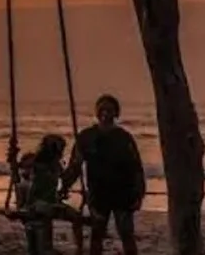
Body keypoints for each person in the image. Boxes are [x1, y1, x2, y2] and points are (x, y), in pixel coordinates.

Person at [61, 94, 145, 255]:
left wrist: (139, 194)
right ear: (97, 112)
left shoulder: (124, 138)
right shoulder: (86, 137)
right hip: (98, 193)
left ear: (116, 113)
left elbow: (136, 168)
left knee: (126, 233)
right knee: (97, 233)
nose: (105, 113)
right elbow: (75, 165)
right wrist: (65, 185)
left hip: (124, 193)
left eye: (110, 110)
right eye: (102, 109)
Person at [0, 134, 86, 255]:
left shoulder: (56, 165)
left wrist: (76, 164)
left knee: (76, 217)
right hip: (37, 203)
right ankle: (76, 249)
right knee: (41, 244)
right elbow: (18, 169)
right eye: (60, 149)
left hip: (51, 203)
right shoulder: (36, 163)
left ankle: (79, 249)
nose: (61, 153)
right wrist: (12, 153)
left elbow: (66, 178)